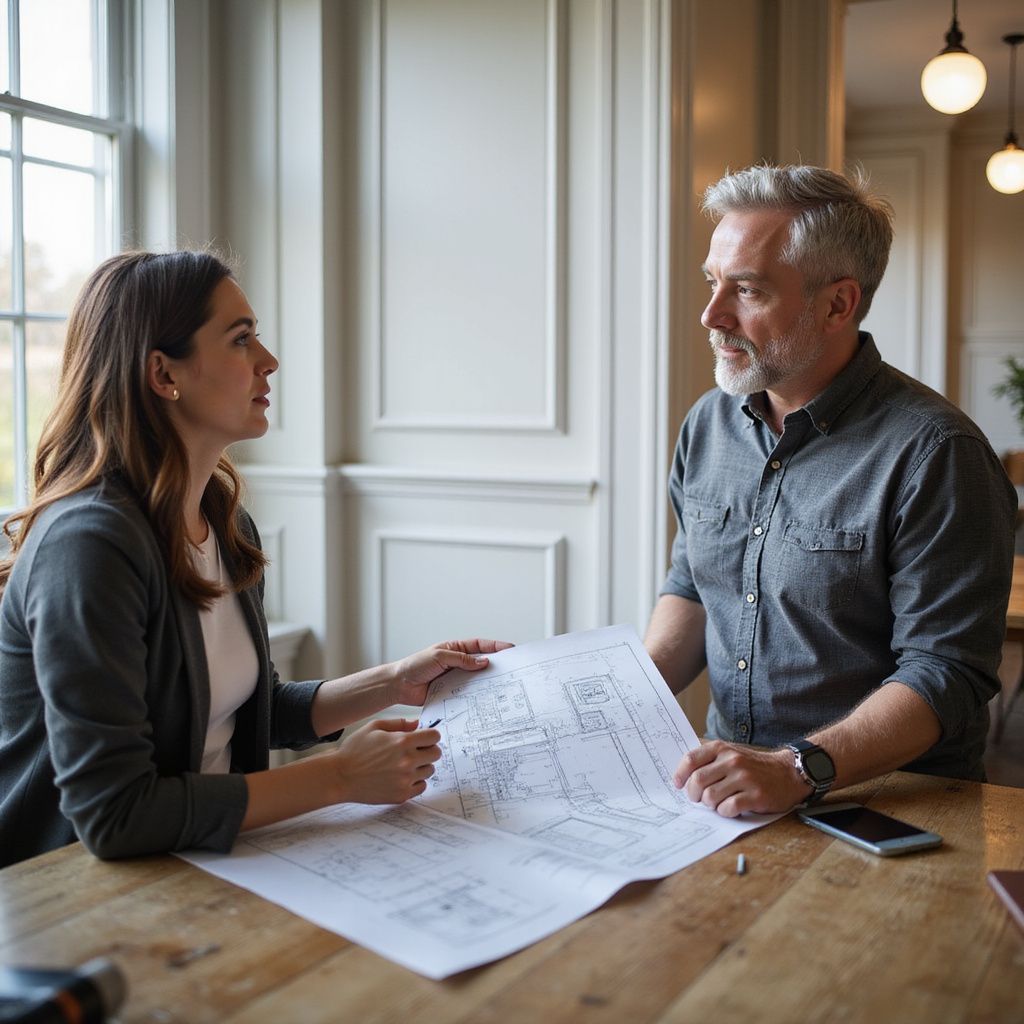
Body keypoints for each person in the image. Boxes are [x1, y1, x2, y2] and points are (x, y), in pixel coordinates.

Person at [0, 250, 511, 868]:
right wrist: (340, 778)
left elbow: (252, 712)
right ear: (164, 374)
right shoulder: (89, 546)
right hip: (71, 893)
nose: (268, 361)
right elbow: (115, 814)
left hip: (207, 862)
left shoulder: (221, 517)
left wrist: (395, 681)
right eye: (241, 340)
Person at [644, 164, 1017, 818]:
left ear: (838, 303)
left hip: (891, 800)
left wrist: (795, 768)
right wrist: (606, 707)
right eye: (712, 281)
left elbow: (945, 671)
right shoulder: (708, 423)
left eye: (748, 289)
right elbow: (693, 586)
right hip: (725, 790)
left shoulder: (937, 453)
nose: (711, 314)